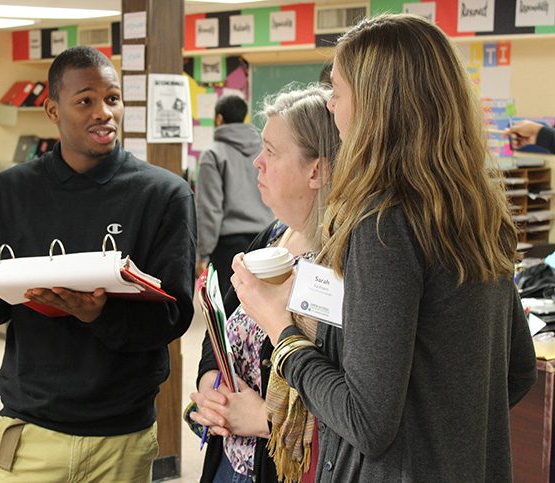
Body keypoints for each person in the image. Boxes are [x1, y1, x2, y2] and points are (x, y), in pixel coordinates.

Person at [230, 14, 537, 482]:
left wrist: (279, 326)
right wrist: (438, 432)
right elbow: (516, 372)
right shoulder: (476, 209)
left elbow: (367, 423)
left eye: (338, 91)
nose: (331, 107)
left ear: (377, 104)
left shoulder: (382, 224)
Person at [0, 46, 196, 482]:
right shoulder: (12, 190)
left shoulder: (164, 195)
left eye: (112, 99)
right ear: (53, 109)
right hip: (30, 426)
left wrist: (101, 313)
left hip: (121, 436)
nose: (104, 113)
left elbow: (174, 315)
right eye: (85, 100)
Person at [190, 85, 339, 483]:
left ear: (316, 170)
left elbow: (354, 405)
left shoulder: (342, 266)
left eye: (271, 152)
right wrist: (213, 384)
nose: (257, 162)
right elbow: (221, 327)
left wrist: (264, 420)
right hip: (230, 460)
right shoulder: (274, 235)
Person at [196, 94, 272, 292]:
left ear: (219, 118)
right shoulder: (266, 151)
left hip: (227, 248)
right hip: (265, 242)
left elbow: (209, 210)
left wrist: (202, 254)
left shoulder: (213, 154)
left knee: (226, 316)